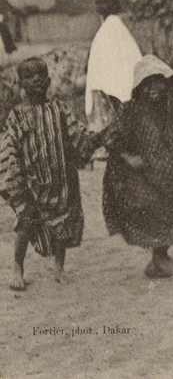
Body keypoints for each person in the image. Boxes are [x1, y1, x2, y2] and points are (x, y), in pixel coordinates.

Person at [0, 58, 104, 290]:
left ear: (48, 80)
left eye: (41, 74)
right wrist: (16, 181)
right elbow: (9, 149)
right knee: (25, 223)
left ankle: (59, 267)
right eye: (30, 76)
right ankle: (18, 266)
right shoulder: (17, 116)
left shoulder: (60, 109)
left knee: (63, 224)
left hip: (60, 179)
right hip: (31, 182)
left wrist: (95, 139)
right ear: (21, 83)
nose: (36, 79)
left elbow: (78, 136)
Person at [102, 55, 173, 278]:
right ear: (139, 87)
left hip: (163, 172)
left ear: (167, 84)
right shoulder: (132, 111)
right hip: (133, 174)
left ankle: (158, 261)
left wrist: (172, 166)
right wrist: (130, 158)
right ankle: (160, 259)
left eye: (158, 82)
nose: (153, 89)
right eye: (147, 84)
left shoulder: (169, 111)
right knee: (157, 210)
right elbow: (110, 139)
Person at [85, 0, 143, 167]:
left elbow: (126, 59)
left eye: (106, 2)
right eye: (100, 2)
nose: (102, 6)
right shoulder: (109, 28)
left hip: (111, 86)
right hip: (106, 85)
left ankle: (114, 149)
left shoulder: (114, 28)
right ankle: (109, 148)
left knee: (113, 117)